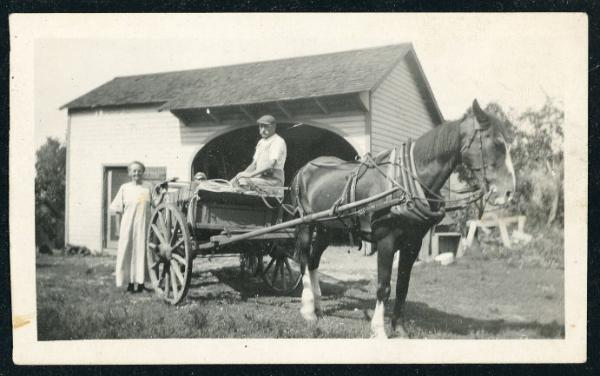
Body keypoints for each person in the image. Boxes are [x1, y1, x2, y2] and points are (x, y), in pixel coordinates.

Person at [110, 161, 153, 293]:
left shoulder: (148, 187)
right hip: (127, 226)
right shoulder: (125, 188)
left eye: (139, 171)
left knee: (142, 253)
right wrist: (117, 229)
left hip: (143, 226)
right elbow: (117, 210)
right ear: (129, 173)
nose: (137, 173)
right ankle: (129, 284)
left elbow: (156, 203)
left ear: (143, 172)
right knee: (127, 253)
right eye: (134, 171)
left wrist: (162, 194)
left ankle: (141, 284)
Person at [231, 115, 287, 193]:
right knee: (233, 182)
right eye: (261, 127)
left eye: (266, 127)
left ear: (273, 127)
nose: (263, 130)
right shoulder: (261, 142)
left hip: (273, 181)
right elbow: (254, 165)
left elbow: (270, 165)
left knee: (243, 181)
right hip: (260, 179)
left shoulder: (277, 141)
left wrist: (250, 175)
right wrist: (239, 176)